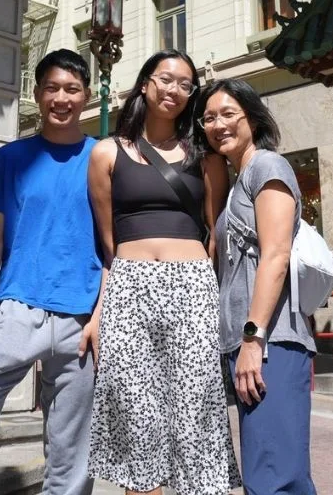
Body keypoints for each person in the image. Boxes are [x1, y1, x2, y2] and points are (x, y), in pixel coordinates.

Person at [0, 49, 101, 495]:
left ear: (86, 96)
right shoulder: (10, 158)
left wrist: (101, 315)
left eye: (71, 89)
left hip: (81, 319)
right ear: (38, 94)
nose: (61, 98)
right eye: (52, 88)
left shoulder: (103, 159)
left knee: (72, 451)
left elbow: (114, 248)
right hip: (15, 309)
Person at [88, 51, 240, 495]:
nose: (174, 89)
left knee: (197, 407)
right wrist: (104, 307)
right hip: (130, 286)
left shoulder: (206, 158)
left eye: (185, 84)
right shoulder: (105, 153)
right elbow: (107, 240)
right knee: (137, 410)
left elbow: (214, 233)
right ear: (144, 84)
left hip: (192, 285)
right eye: (166, 79)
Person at [197, 79, 317, 494]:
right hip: (252, 344)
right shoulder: (237, 180)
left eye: (229, 114)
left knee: (274, 478)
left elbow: (276, 256)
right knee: (269, 473)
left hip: (270, 344)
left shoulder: (267, 166)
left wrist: (253, 340)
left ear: (253, 117)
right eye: (209, 117)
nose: (218, 124)